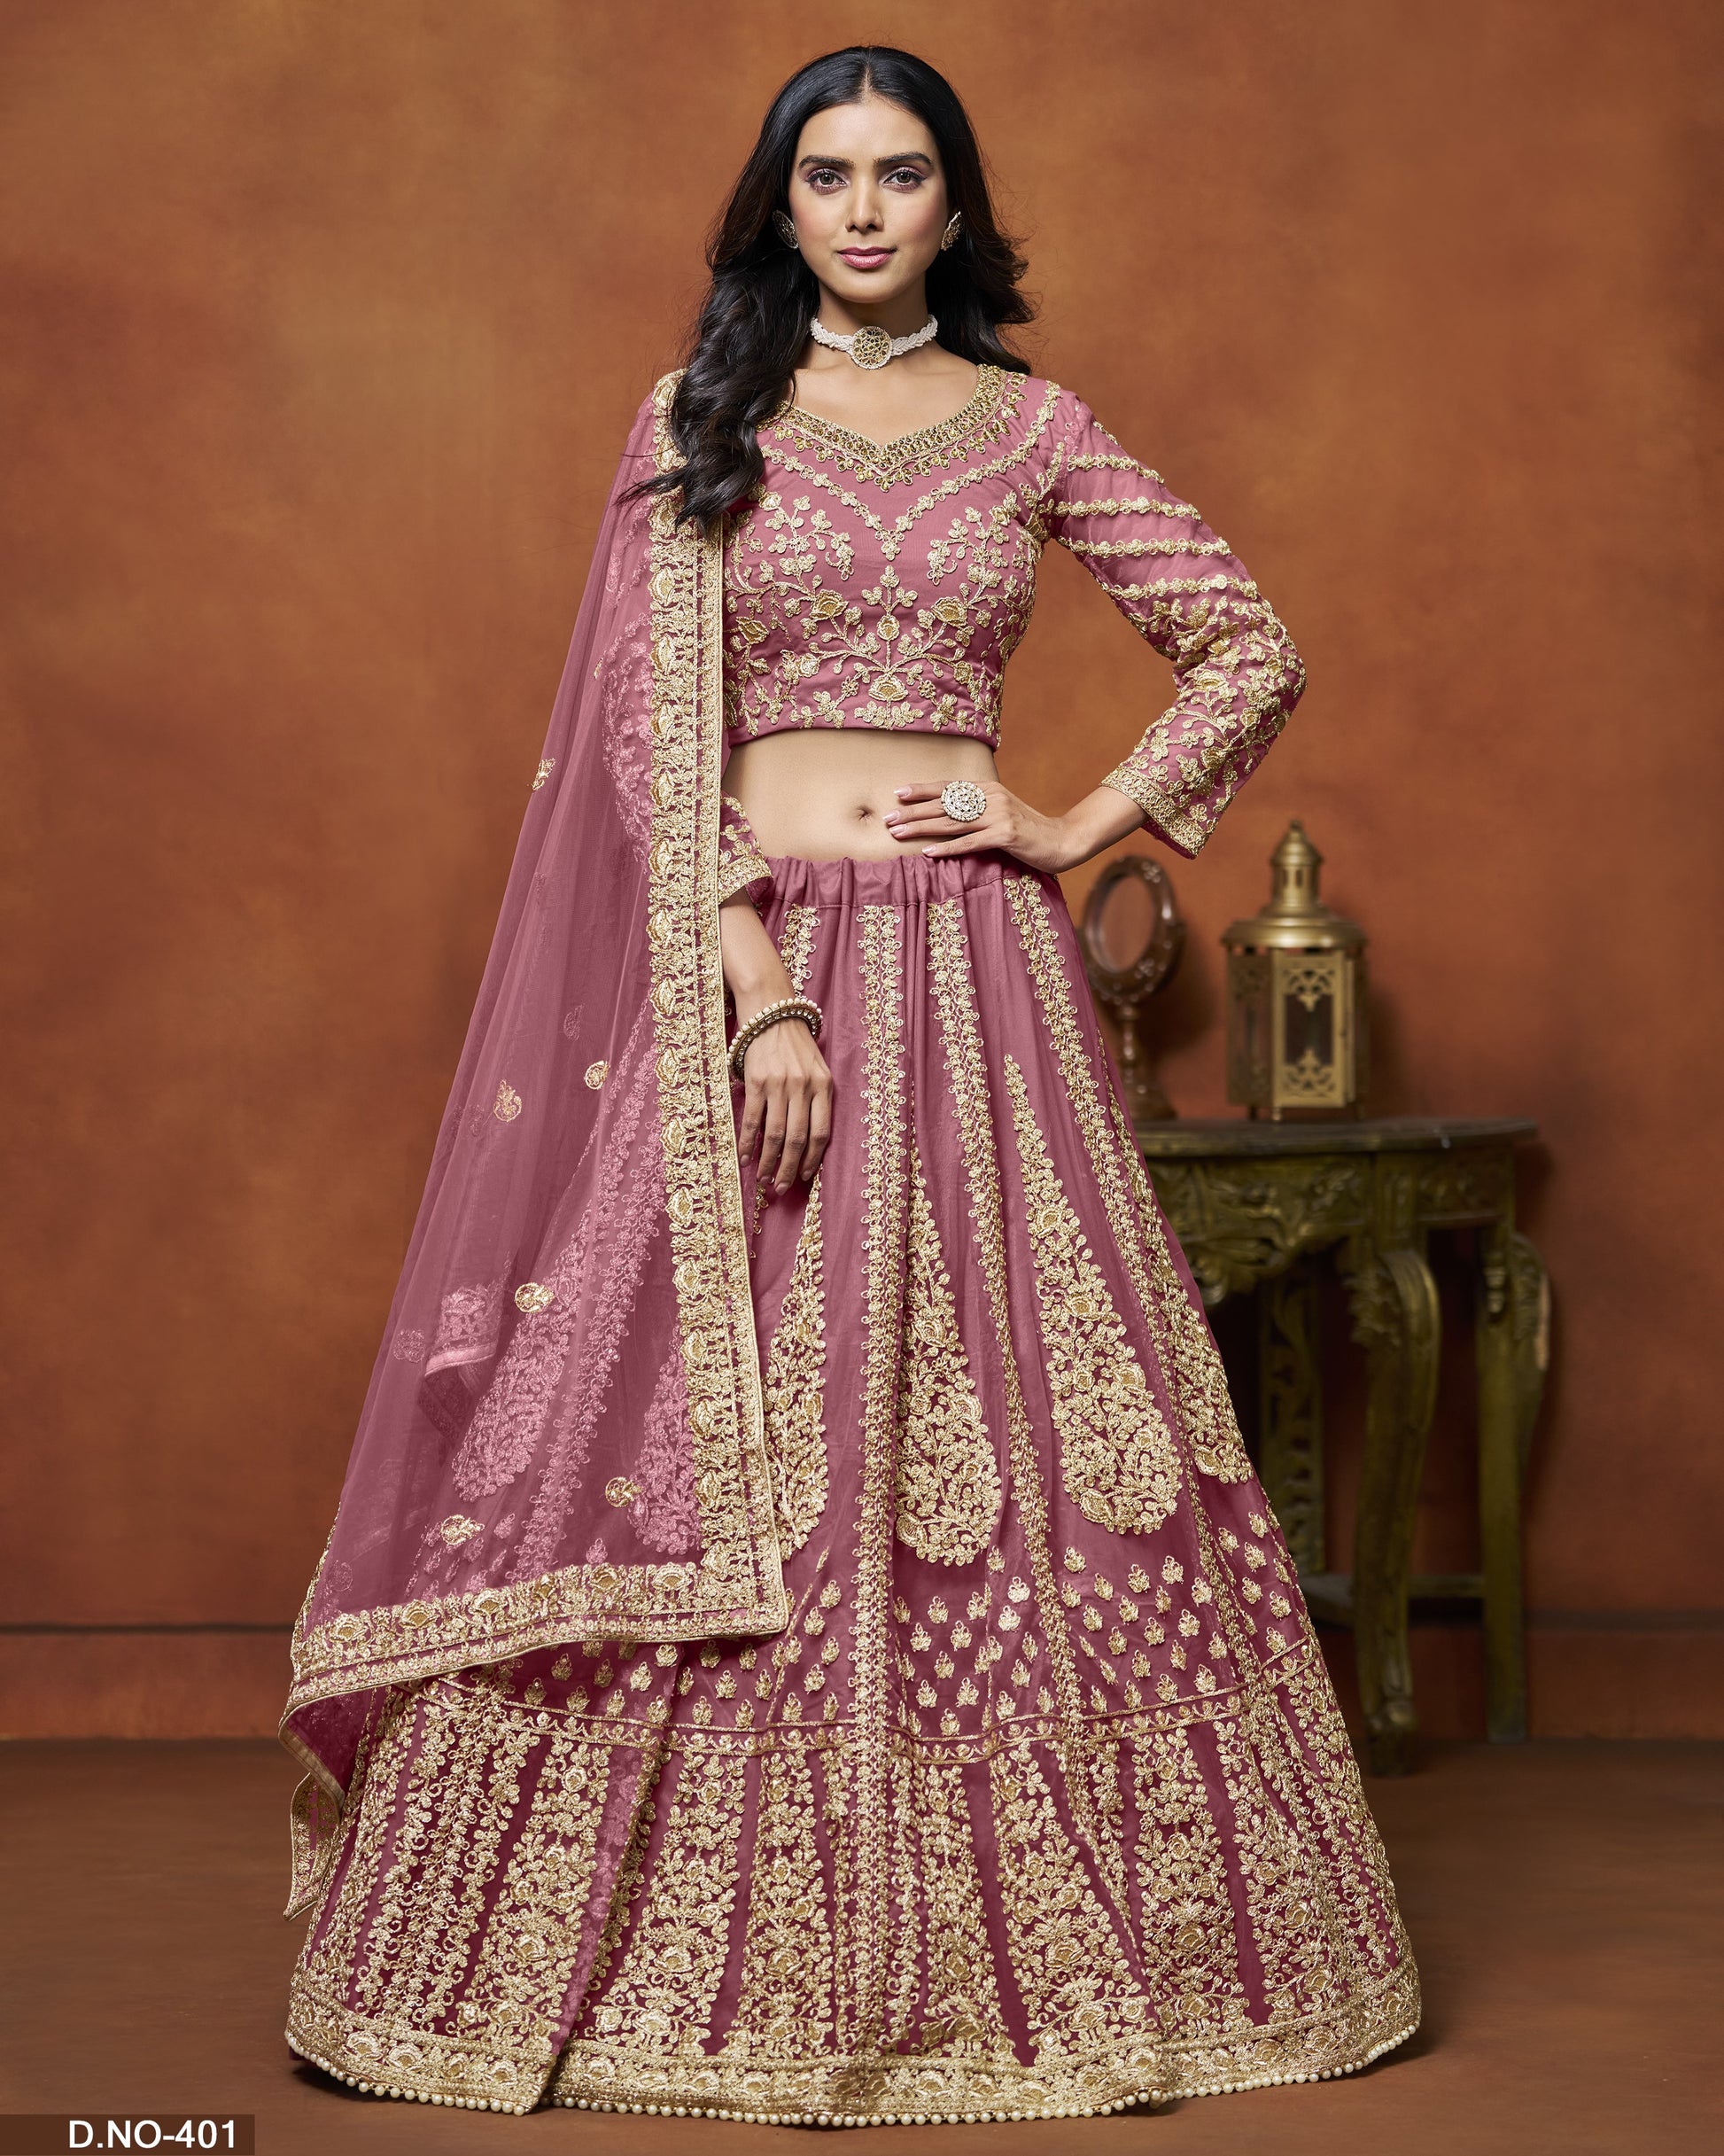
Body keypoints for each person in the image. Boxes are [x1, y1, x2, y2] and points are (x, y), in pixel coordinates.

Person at [280, 44, 1417, 2126]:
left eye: (907, 176)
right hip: (767, 970)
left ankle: (1051, 1958)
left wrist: (1083, 821)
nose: (870, 209)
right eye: (831, 175)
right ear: (779, 205)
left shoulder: (1032, 426)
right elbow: (650, 729)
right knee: (713, 1424)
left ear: (958, 209)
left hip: (981, 978)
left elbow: (1244, 643)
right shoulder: (704, 418)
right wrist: (752, 991)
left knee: (1009, 1426)